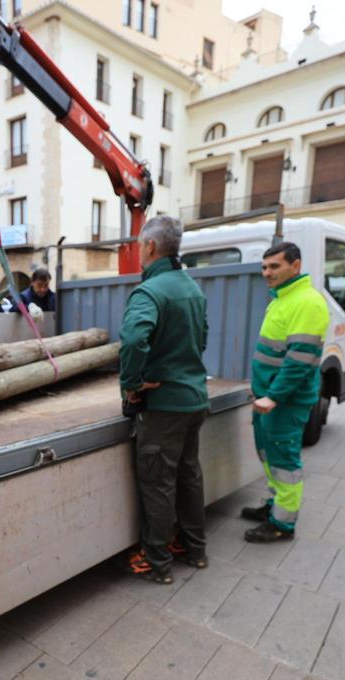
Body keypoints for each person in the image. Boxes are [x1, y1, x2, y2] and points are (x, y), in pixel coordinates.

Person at [118, 216, 210, 584]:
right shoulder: (192, 288)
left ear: (151, 247)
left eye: (140, 246)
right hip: (194, 400)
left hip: (164, 407)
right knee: (189, 475)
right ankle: (195, 549)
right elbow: (201, 340)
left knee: (158, 482)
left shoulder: (150, 292)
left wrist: (132, 383)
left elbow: (133, 339)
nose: (140, 253)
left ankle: (156, 561)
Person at [240, 241, 329, 543]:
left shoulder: (306, 302)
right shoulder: (282, 299)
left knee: (284, 462)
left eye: (275, 266)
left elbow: (299, 359)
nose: (267, 272)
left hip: (284, 402)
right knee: (269, 455)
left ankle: (282, 524)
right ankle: (274, 505)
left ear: (296, 265)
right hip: (269, 399)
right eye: (264, 267)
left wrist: (274, 396)